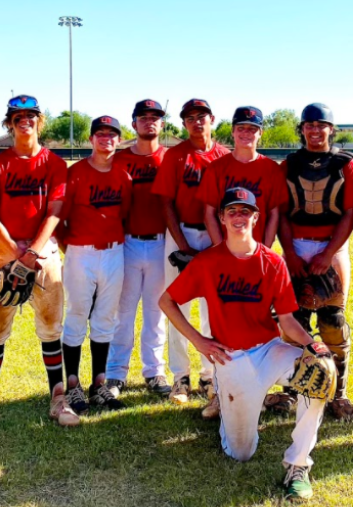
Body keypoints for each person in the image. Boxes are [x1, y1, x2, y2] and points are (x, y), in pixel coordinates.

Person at [159, 187, 327, 500]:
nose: (239, 217)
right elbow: (166, 301)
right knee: (241, 453)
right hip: (229, 358)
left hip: (268, 350)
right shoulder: (209, 261)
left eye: (246, 211)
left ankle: (298, 466)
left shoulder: (272, 262)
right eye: (232, 211)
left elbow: (288, 320)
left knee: (318, 375)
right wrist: (199, 341)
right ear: (221, 218)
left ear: (256, 217)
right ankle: (228, 400)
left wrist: (313, 346)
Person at [0, 95, 78, 433]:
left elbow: (55, 212)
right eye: (18, 116)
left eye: (31, 116)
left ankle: (58, 399)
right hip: (3, 251)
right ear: (9, 123)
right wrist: (15, 252)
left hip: (43, 251)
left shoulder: (54, 163)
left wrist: (34, 252)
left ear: (40, 121)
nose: (24, 121)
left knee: (51, 328)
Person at [278, 103, 353, 421]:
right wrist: (290, 253)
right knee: (293, 323)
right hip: (297, 243)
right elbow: (282, 213)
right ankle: (289, 389)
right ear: (302, 129)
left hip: (332, 246)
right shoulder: (290, 164)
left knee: (333, 323)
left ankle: (337, 392)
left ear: (331, 129)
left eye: (321, 125)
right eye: (309, 125)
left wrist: (328, 254)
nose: (315, 130)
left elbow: (350, 212)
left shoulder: (345, 164)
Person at [151, 99, 230, 413]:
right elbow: (166, 203)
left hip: (216, 235)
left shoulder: (223, 155)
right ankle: (180, 377)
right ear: (184, 123)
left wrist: (220, 243)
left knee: (213, 306)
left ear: (212, 119)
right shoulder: (176, 155)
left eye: (202, 117)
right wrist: (182, 245)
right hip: (182, 231)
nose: (197, 123)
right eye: (190, 118)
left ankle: (209, 376)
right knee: (178, 305)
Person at [57, 116, 132, 414]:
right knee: (76, 315)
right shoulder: (75, 173)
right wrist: (71, 249)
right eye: (100, 134)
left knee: (105, 318)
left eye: (112, 135)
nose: (106, 139)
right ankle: (73, 386)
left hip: (114, 252)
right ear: (91, 140)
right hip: (80, 252)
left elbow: (123, 216)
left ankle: (99, 384)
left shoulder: (124, 177)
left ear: (118, 140)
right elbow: (59, 219)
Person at [106, 100, 172, 397]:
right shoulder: (119, 160)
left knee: (156, 312)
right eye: (143, 118)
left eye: (155, 118)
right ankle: (115, 373)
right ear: (133, 124)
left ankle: (154, 371)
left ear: (162, 124)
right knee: (123, 311)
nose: (149, 122)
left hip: (160, 243)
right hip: (128, 243)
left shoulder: (169, 158)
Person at [197, 106, 287, 247]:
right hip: (225, 248)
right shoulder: (216, 168)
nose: (246, 133)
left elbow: (274, 214)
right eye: (241, 128)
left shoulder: (272, 169)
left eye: (252, 129)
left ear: (260, 133)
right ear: (232, 131)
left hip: (257, 248)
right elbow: (209, 213)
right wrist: (221, 248)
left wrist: (265, 251)